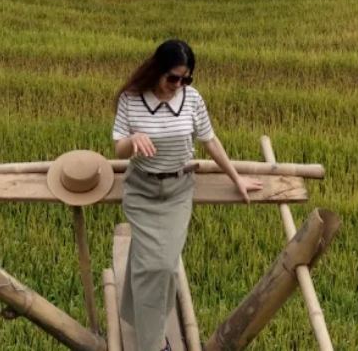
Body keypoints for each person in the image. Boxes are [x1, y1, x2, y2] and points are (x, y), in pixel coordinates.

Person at [112, 38, 262, 351]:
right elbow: (119, 148)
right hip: (141, 190)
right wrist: (134, 138)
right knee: (153, 265)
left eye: (186, 79)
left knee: (162, 266)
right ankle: (154, 345)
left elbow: (210, 141)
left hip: (178, 191)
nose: (179, 85)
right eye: (173, 78)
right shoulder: (131, 99)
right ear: (157, 70)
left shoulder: (191, 99)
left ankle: (140, 321)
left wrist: (236, 178)